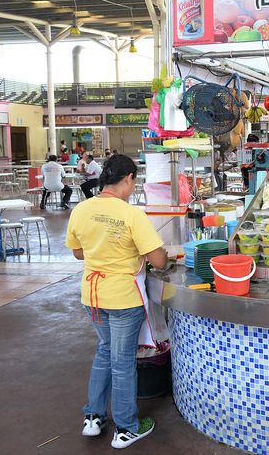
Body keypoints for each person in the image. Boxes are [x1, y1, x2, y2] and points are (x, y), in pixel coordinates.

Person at [65, 154, 166, 449]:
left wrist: (103, 250)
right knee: (122, 363)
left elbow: (78, 252)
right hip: (122, 298)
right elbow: (158, 261)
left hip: (92, 296)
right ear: (129, 179)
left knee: (105, 352)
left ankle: (93, 418)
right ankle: (126, 427)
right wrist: (151, 254)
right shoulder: (131, 214)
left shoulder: (81, 210)